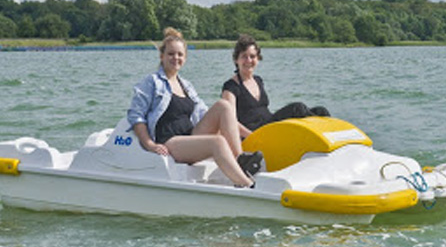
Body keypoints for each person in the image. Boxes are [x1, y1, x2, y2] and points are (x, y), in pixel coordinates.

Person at [127, 28, 261, 187]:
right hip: (170, 141)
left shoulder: (186, 86)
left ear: (185, 58)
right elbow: (136, 116)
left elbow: (205, 113)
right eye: (171, 54)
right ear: (162, 56)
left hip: (190, 135)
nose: (175, 58)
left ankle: (240, 159)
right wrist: (150, 144)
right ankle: (247, 185)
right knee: (217, 142)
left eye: (180, 54)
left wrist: (247, 133)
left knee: (223, 106)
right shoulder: (152, 82)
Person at [221, 34, 330, 139]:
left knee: (321, 111)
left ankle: (330, 136)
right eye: (244, 56)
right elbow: (230, 121)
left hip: (269, 124)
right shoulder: (231, 87)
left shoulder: (258, 80)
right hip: (255, 133)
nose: (249, 60)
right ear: (236, 60)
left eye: (252, 56)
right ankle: (320, 136)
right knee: (297, 108)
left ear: (258, 58)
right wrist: (252, 136)